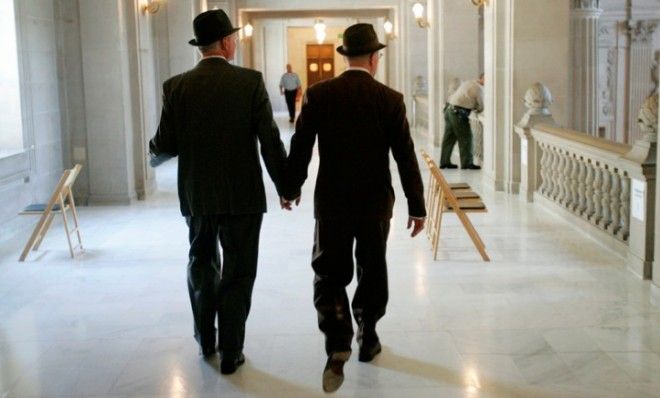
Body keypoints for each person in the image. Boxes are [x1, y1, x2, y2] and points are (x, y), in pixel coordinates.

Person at [283, 23, 427, 393]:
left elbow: (301, 145)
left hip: (331, 202)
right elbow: (405, 156)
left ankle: (338, 342)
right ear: (375, 59)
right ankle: (369, 335)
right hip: (375, 203)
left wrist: (290, 186)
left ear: (343, 56)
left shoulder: (319, 94)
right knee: (372, 267)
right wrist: (417, 205)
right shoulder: (390, 99)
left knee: (328, 272)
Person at [149, 9, 289, 375]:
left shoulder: (176, 86)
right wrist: (286, 186)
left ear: (201, 46)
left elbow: (165, 144)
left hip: (197, 197)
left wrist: (151, 153)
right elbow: (269, 143)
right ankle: (231, 350)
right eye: (235, 38)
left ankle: (205, 340)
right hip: (243, 197)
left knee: (200, 264)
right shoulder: (250, 82)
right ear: (226, 43)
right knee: (239, 271)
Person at [439, 74, 484, 170]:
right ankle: (467, 163)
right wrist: (477, 109)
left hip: (449, 109)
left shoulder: (468, 82)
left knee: (449, 138)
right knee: (466, 138)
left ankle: (444, 162)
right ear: (482, 78)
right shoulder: (478, 88)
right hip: (458, 113)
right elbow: (481, 106)